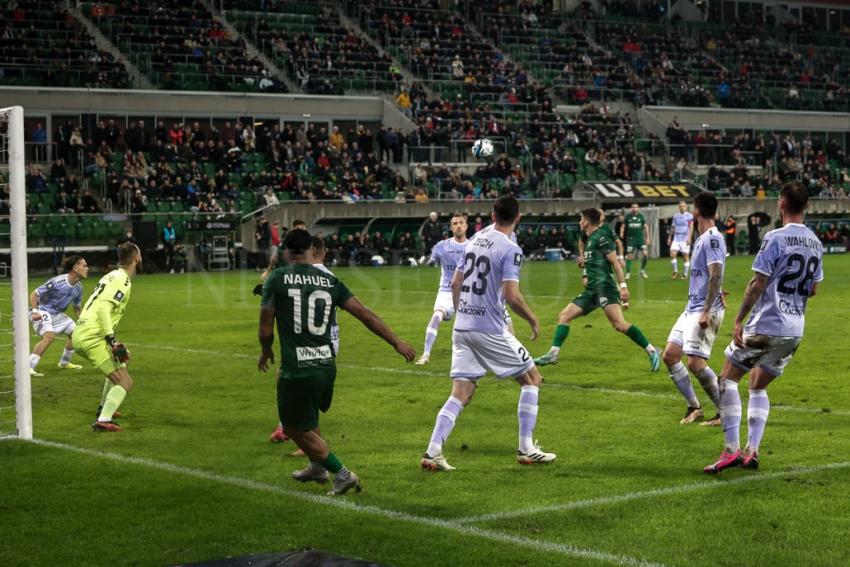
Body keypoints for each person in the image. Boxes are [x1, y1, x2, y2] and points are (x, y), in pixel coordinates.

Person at [258, 229, 415, 495]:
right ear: (311, 250)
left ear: (285, 252)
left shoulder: (276, 279)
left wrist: (266, 350)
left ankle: (342, 474)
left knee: (294, 427)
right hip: (326, 365)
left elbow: (265, 330)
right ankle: (316, 468)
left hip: (297, 369)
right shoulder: (329, 281)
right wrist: (397, 342)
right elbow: (365, 315)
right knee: (309, 416)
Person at [420, 197, 555, 471]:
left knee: (461, 393)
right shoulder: (511, 248)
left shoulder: (474, 240)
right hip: (489, 329)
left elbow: (455, 282)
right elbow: (511, 295)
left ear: (492, 214)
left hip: (462, 326)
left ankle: (433, 450)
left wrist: (462, 313)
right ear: (518, 218)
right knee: (532, 379)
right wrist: (532, 319)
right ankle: (526, 448)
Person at [705, 182, 823, 473]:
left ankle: (730, 450)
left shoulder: (775, 238)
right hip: (794, 329)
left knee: (727, 379)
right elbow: (814, 289)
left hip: (767, 322)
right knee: (757, 384)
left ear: (781, 203)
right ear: (805, 206)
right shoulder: (816, 243)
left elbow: (757, 282)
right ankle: (752, 450)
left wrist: (739, 319)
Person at [534, 208, 661, 371]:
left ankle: (652, 350)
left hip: (605, 288)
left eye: (581, 219)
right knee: (564, 315)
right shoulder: (589, 239)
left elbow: (615, 263)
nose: (579, 222)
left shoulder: (601, 237)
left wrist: (623, 287)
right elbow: (595, 262)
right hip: (592, 290)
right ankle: (553, 354)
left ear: (586, 222)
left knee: (619, 325)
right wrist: (584, 263)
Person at [268, 236, 341, 452]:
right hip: (329, 338)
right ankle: (293, 431)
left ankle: (302, 438)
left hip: (314, 341)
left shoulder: (310, 274)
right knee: (296, 383)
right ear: (323, 253)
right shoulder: (328, 275)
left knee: (294, 382)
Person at [662, 193, 726, 426]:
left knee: (695, 363)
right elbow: (713, 275)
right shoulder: (702, 238)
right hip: (692, 307)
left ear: (696, 212)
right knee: (670, 355)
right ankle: (694, 406)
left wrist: (708, 309)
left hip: (702, 309)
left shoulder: (712, 238)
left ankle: (724, 412)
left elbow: (716, 272)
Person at [72, 243, 142, 432]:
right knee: (125, 382)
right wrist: (112, 341)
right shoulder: (122, 280)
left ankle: (104, 407)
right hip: (92, 337)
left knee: (122, 361)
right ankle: (103, 419)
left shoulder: (111, 275)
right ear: (137, 258)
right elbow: (103, 308)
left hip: (84, 332)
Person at [415, 213, 468, 366]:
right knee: (437, 316)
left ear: (466, 226)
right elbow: (430, 260)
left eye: (461, 223)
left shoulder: (473, 246)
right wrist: (429, 260)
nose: (458, 225)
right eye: (455, 223)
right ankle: (425, 354)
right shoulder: (442, 246)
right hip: (446, 290)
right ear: (451, 228)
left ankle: (473, 358)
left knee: (470, 327)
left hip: (466, 292)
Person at [28, 255, 89, 376]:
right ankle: (28, 367)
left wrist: (85, 322)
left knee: (76, 334)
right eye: (84, 265)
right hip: (41, 310)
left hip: (57, 314)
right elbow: (34, 294)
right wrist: (35, 311)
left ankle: (64, 363)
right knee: (49, 336)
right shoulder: (57, 282)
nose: (88, 268)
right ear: (75, 268)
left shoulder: (78, 288)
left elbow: (77, 309)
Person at [621, 203, 649, 279]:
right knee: (629, 256)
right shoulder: (628, 217)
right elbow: (623, 226)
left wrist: (647, 238)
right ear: (631, 208)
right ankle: (628, 273)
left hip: (640, 239)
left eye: (636, 207)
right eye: (633, 207)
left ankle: (642, 270)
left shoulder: (641, 217)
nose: (634, 208)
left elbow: (646, 227)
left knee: (645, 254)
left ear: (638, 208)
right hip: (631, 239)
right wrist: (621, 232)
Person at [668, 201, 694, 279]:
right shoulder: (676, 216)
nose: (682, 207)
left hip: (685, 239)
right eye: (681, 206)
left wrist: (689, 238)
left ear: (686, 207)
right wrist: (670, 237)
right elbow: (673, 227)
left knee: (685, 257)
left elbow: (691, 227)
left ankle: (685, 274)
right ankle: (675, 271)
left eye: (683, 206)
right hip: (676, 238)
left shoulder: (689, 216)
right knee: (672, 254)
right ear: (679, 207)